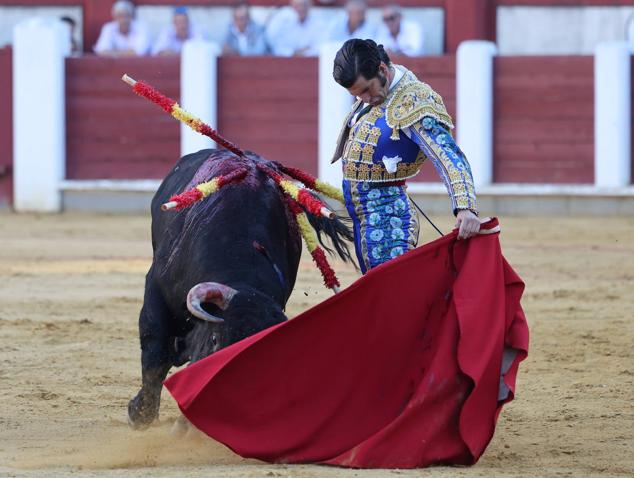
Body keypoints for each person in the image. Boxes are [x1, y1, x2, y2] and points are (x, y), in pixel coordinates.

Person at [331, 39, 480, 273]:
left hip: (389, 219)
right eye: (358, 94)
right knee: (380, 293)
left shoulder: (413, 101)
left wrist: (465, 207)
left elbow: (448, 155)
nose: (365, 98)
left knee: (391, 296)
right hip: (364, 217)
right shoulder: (378, 92)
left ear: (382, 69)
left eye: (367, 89)